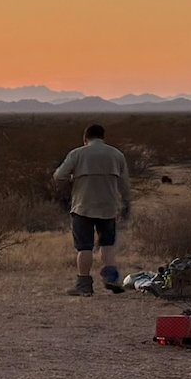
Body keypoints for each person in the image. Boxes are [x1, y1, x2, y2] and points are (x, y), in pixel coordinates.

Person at [52, 122, 133, 296]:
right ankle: (111, 278)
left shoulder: (77, 154)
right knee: (108, 244)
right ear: (103, 137)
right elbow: (125, 183)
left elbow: (59, 176)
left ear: (85, 139)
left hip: (83, 206)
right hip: (109, 207)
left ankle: (84, 285)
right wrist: (126, 202)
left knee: (84, 247)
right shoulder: (116, 154)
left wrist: (72, 182)